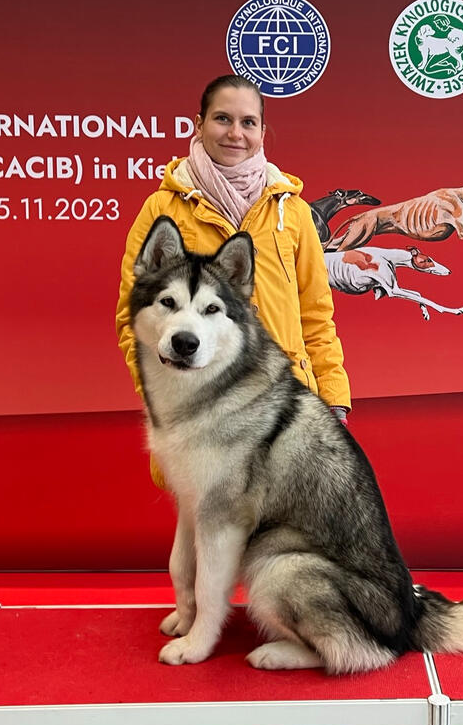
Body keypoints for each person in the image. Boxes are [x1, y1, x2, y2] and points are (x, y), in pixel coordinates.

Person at [115, 74, 351, 486]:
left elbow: (316, 317)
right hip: (201, 416)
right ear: (198, 123)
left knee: (288, 545)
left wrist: (333, 402)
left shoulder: (292, 212)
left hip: (288, 412)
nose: (235, 133)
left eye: (248, 122)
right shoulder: (162, 209)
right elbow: (132, 319)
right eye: (222, 118)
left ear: (262, 131)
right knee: (218, 543)